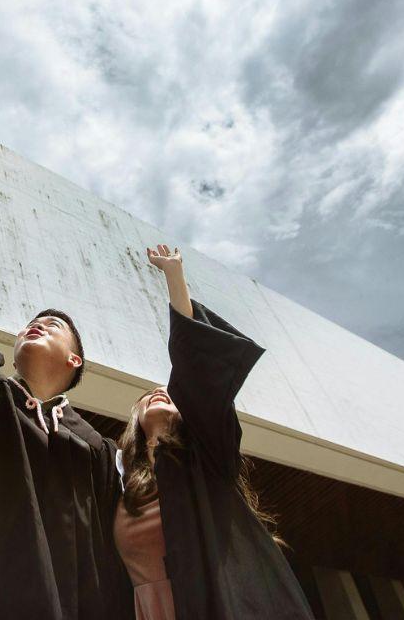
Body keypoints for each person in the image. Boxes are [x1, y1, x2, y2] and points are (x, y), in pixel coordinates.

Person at [0, 110, 131, 620]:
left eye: (51, 326)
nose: (34, 325)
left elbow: (111, 555)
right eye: (30, 323)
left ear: (74, 359)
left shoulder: (96, 449)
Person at [114, 244, 314, 620]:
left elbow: (197, 370)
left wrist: (175, 278)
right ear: (134, 418)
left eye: (170, 394)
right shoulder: (120, 481)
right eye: (147, 397)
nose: (159, 393)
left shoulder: (207, 457)